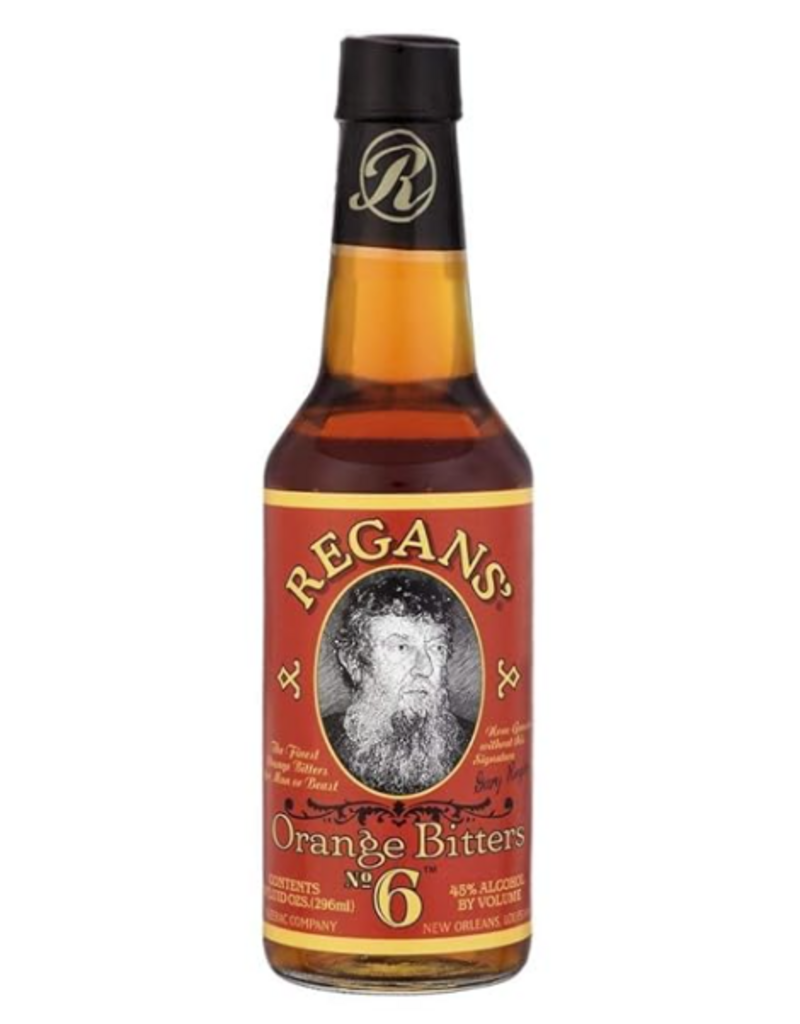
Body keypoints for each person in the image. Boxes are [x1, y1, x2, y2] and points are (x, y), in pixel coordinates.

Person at [324, 571, 474, 795]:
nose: (425, 668)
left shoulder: (472, 743)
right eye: (401, 647)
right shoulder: (321, 742)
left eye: (437, 648)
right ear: (354, 662)